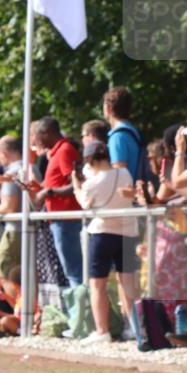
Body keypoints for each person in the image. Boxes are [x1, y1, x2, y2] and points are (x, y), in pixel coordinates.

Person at [72, 140, 139, 345]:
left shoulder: (93, 182)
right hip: (127, 230)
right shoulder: (124, 173)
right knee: (127, 281)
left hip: (102, 232)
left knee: (97, 284)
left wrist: (76, 184)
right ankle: (134, 327)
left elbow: (84, 203)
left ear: (89, 160)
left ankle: (102, 330)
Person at [31, 116, 84, 287]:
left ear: (48, 133)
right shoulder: (57, 152)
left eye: (38, 135)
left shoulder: (64, 151)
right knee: (71, 270)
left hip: (66, 219)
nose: (36, 140)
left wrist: (49, 191)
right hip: (59, 219)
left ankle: (81, 312)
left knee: (73, 271)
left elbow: (76, 184)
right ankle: (79, 310)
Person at [0, 136, 25, 281]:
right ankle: (26, 302)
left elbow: (9, 207)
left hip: (15, 230)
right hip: (31, 229)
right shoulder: (30, 167)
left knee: (5, 272)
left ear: (4, 153)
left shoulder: (11, 173)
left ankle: (18, 303)